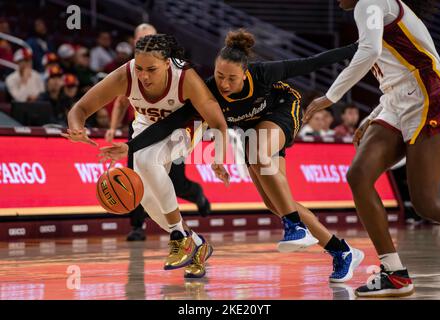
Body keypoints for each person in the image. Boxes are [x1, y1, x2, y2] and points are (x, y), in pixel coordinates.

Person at [102, 29, 366, 283]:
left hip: (284, 110)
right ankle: (341, 251)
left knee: (261, 153)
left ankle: (294, 227)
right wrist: (132, 146)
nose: (225, 84)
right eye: (219, 76)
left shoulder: (263, 72)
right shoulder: (207, 91)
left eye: (232, 78)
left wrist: (357, 48)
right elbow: (169, 123)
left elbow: (314, 62)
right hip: (254, 129)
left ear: (245, 72)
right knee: (277, 203)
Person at [303, 0, 440, 297]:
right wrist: (371, 117)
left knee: (427, 203)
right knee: (358, 176)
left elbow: (371, 52)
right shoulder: (373, 11)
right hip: (395, 103)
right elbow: (394, 76)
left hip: (427, 95)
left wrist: (329, 97)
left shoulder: (369, 2)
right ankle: (394, 273)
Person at [62, 34, 230, 279]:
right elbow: (80, 108)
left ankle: (178, 236)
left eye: (151, 69)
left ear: (167, 63)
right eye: (139, 68)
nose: (144, 76)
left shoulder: (185, 78)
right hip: (145, 126)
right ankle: (197, 245)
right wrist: (77, 127)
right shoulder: (126, 75)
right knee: (147, 199)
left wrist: (218, 156)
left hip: (185, 126)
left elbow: (218, 122)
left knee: (145, 159)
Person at [105, 24, 211, 242]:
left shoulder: (179, 73)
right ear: (135, 42)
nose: (145, 42)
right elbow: (120, 102)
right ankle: (141, 227)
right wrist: (112, 128)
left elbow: (207, 109)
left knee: (176, 182)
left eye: (150, 38)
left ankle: (196, 197)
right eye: (141, 39)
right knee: (136, 183)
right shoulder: (131, 71)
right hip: (143, 130)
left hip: (177, 130)